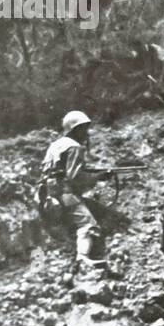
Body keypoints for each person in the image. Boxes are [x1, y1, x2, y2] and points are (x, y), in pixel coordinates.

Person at [39, 110, 108, 270]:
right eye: (83, 128)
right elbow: (75, 177)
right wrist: (98, 177)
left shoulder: (55, 145)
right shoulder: (75, 147)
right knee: (88, 224)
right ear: (74, 129)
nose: (86, 132)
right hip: (65, 193)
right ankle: (83, 258)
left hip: (49, 193)